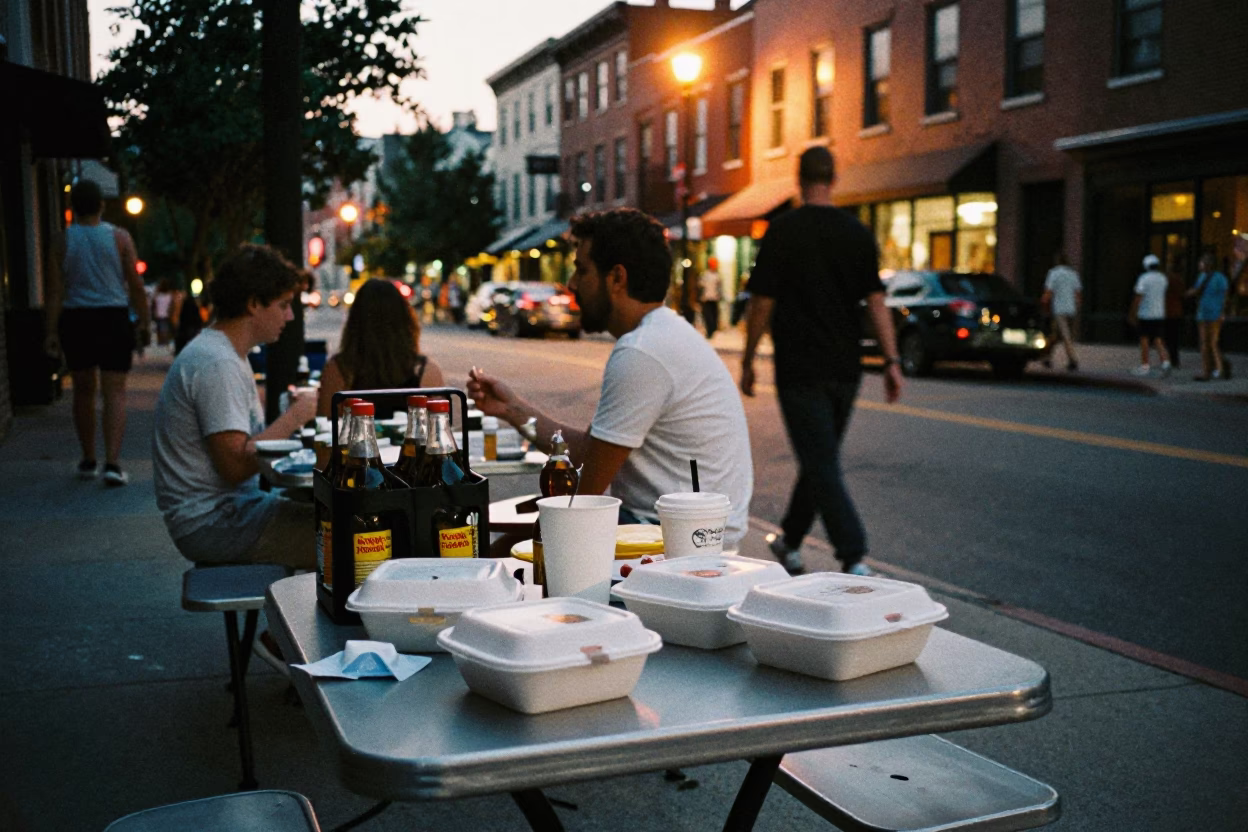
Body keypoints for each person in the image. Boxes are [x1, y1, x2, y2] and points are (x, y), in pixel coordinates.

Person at [468, 208, 753, 546]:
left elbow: (587, 496)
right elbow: (584, 451)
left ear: (617, 278)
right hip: (678, 528)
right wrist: (512, 410)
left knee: (505, 550)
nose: (572, 284)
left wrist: (534, 538)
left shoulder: (642, 352)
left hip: (679, 540)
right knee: (510, 545)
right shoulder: (662, 334)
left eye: (582, 270)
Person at [740, 147, 902, 576]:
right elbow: (876, 301)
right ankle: (790, 540)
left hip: (799, 367)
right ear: (835, 178)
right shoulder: (858, 232)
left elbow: (762, 302)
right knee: (821, 457)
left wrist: (749, 358)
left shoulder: (783, 231)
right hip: (846, 368)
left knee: (820, 460)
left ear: (799, 178)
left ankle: (853, 555)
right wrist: (891, 360)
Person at [152, 244, 319, 568]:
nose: (290, 315)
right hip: (215, 522)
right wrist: (295, 416)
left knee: (340, 523)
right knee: (351, 542)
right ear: (254, 304)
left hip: (231, 511)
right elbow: (235, 468)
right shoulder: (217, 363)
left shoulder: (225, 353)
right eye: (284, 304)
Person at [44, 179, 151, 486]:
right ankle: (113, 463)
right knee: (115, 391)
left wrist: (50, 331)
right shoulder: (119, 238)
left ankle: (89, 457)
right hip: (113, 317)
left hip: (77, 319)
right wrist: (143, 322)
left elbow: (54, 291)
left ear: (72, 207)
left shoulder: (61, 240)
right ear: (102, 205)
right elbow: (135, 284)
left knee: (83, 391)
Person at [316, 278, 445, 417]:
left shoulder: (338, 370)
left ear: (354, 322)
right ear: (406, 321)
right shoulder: (426, 372)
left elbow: (327, 427)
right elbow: (439, 430)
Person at [1187, 252, 1230, 381]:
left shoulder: (1220, 278)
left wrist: (1223, 312)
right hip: (1203, 313)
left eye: (1201, 262)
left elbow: (1225, 296)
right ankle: (1207, 370)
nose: (1199, 264)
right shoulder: (1202, 277)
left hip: (1215, 314)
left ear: (1208, 264)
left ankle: (1219, 369)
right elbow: (1196, 290)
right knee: (1205, 343)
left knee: (1212, 342)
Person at [1129, 254, 1172, 376]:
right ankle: (1166, 362)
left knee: (1144, 339)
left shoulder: (1144, 278)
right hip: (1159, 313)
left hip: (1145, 313)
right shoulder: (1162, 278)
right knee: (1158, 339)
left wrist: (1133, 313)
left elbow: (1138, 296)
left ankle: (1145, 365)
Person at [1040, 251, 1082, 372]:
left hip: (1059, 309)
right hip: (1071, 309)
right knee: (1057, 335)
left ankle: (1073, 359)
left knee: (1064, 335)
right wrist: (1077, 307)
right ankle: (1046, 356)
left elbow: (1048, 292)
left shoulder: (1053, 274)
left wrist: (1043, 303)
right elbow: (1078, 294)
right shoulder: (1073, 274)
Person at [152, 278, 177, 347]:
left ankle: (161, 344)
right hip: (166, 315)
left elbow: (154, 306)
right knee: (165, 330)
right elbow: (172, 306)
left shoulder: (157, 295)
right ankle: (165, 343)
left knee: (160, 330)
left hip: (159, 315)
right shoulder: (170, 295)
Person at [699, 264, 722, 339]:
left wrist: (719, 295)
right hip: (706, 298)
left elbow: (719, 287)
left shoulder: (717, 276)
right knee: (707, 316)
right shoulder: (705, 275)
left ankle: (712, 330)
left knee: (713, 316)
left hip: (714, 299)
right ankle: (709, 331)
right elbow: (701, 285)